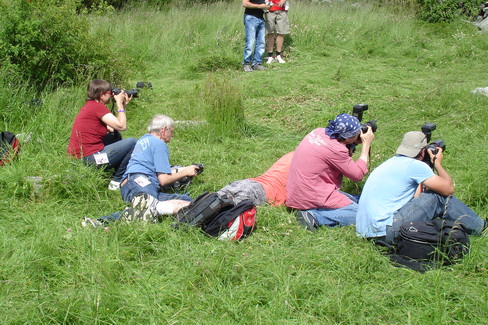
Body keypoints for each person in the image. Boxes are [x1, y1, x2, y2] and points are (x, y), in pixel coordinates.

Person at [356, 131, 486, 243]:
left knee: (431, 196)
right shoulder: (414, 165)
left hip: (367, 233)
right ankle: (481, 227)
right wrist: (437, 164)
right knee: (438, 197)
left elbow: (415, 199)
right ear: (423, 151)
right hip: (386, 231)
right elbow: (448, 189)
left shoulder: (391, 163)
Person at [82, 114, 200, 227]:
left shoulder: (144, 139)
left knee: (187, 201)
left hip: (130, 184)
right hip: (140, 181)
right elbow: (164, 179)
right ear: (164, 130)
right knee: (145, 206)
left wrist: (182, 170)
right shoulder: (159, 144)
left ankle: (161, 208)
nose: (172, 135)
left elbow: (158, 170)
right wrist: (186, 172)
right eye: (171, 131)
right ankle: (101, 222)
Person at [286, 113, 374, 231]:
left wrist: (352, 144)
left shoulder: (318, 132)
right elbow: (357, 175)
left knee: (360, 201)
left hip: (298, 192)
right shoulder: (336, 149)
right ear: (347, 138)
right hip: (310, 196)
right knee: (364, 214)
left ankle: (315, 210)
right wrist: (366, 145)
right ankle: (314, 216)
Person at [68, 79, 137, 191]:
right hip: (90, 159)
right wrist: (119, 104)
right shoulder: (97, 107)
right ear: (101, 95)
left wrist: (123, 106)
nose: (112, 96)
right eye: (109, 93)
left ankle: (112, 173)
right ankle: (116, 181)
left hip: (80, 158)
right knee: (132, 142)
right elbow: (122, 126)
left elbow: (113, 127)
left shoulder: (91, 106)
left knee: (116, 137)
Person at [217, 151, 294, 206]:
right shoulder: (302, 164)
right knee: (217, 212)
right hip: (261, 193)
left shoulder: (292, 154)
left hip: (247, 183)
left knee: (211, 202)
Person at [242, 0, 271, 72]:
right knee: (250, 42)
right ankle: (246, 63)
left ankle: (257, 63)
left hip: (261, 18)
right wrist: (260, 6)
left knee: (261, 43)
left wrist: (267, 7)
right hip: (251, 17)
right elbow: (245, 3)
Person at [265, 0, 290, 64]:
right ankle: (270, 55)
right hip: (269, 9)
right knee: (270, 33)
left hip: (282, 9)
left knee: (281, 33)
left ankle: (278, 55)